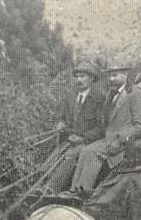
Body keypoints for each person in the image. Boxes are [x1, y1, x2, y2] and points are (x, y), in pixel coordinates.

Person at [66, 63, 141, 197]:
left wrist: (121, 139)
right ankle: (74, 190)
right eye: (109, 75)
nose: (111, 79)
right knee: (85, 150)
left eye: (114, 75)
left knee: (92, 151)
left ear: (125, 74)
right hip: (109, 138)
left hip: (125, 142)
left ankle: (82, 192)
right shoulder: (111, 93)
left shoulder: (135, 94)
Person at [40, 61, 106, 193]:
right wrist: (61, 124)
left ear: (92, 79)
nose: (79, 80)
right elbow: (63, 118)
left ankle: (50, 189)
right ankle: (39, 184)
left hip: (87, 142)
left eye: (83, 76)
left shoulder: (100, 98)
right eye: (77, 76)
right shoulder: (70, 97)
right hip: (69, 139)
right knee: (52, 159)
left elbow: (101, 127)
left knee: (70, 156)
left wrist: (83, 139)